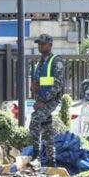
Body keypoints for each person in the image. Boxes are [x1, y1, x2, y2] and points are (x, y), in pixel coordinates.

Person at [29, 34, 66, 168]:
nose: (40, 46)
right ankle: (52, 161)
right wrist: (33, 87)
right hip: (41, 101)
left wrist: (43, 101)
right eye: (39, 44)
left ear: (50, 45)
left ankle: (36, 156)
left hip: (51, 100)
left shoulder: (57, 61)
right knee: (47, 130)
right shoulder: (40, 62)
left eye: (43, 44)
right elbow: (38, 83)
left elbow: (57, 85)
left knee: (34, 122)